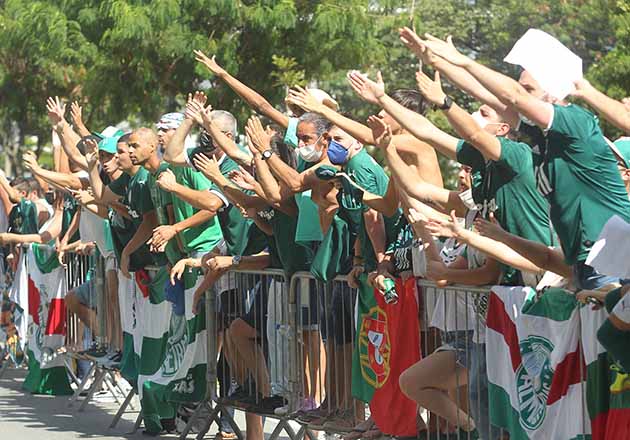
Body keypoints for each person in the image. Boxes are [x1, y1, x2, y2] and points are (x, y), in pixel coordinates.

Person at [417, 32, 630, 290]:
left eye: (530, 89)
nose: (518, 95)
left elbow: (513, 96)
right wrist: (440, 65)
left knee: (610, 332)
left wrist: (464, 61)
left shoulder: (576, 123)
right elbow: (494, 98)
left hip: (614, 265)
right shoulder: (542, 138)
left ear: (552, 94)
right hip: (583, 265)